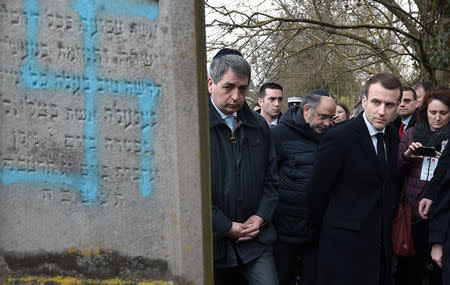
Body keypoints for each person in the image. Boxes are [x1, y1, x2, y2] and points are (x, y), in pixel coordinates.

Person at [308, 73, 402, 285]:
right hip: (344, 249)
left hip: (380, 248)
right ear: (364, 101)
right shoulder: (339, 137)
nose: (381, 111)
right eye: (376, 102)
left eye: (389, 105)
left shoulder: (392, 135)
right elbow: (317, 194)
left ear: (397, 107)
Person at [208, 48, 279, 285]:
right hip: (211, 242)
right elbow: (188, 191)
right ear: (211, 84)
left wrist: (260, 216)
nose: (236, 96)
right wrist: (226, 226)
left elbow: (272, 179)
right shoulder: (194, 124)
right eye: (228, 87)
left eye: (242, 88)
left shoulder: (258, 126)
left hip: (255, 240)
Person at [271, 89, 336, 285]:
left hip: (318, 232)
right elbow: (267, 179)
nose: (327, 123)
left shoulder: (331, 136)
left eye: (331, 118)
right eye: (323, 116)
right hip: (284, 232)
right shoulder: (279, 135)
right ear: (307, 109)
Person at [395, 87, 450, 285]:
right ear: (425, 111)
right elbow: (397, 170)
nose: (437, 117)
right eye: (433, 112)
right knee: (410, 266)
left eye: (443, 113)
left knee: (438, 268)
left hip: (442, 213)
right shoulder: (411, 134)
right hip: (413, 212)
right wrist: (407, 156)